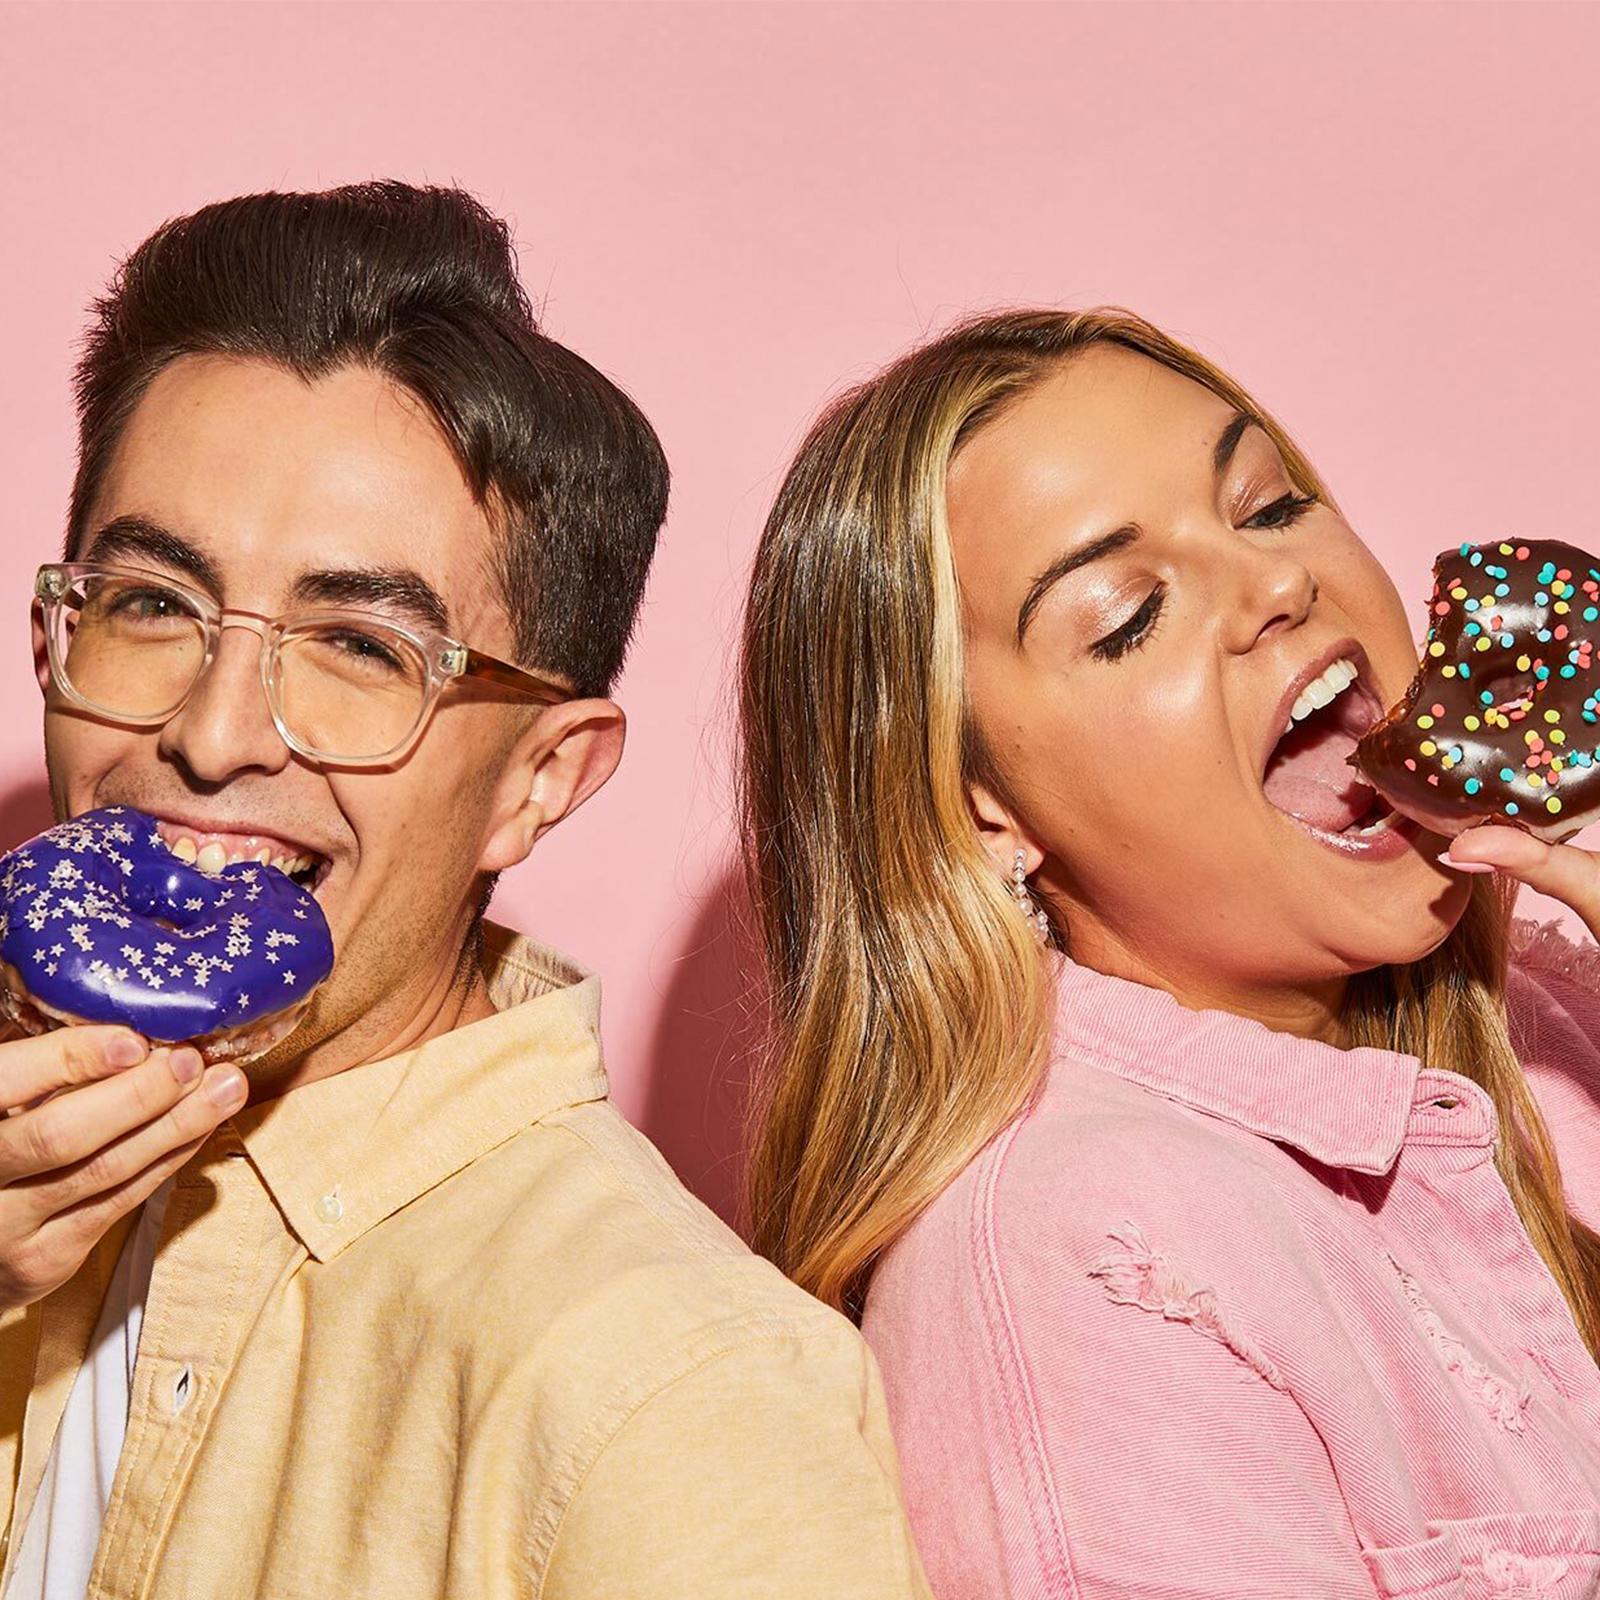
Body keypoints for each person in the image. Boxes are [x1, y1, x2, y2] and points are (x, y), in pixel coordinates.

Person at [0, 182, 930, 1599]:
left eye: (361, 647)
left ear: (540, 779)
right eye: (151, 605)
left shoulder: (672, 1397)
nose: (212, 732)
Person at [736, 306, 1600, 1597]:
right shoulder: (1084, 1273)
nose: (1280, 584)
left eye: (1268, 505)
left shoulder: (1552, 1010)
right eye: (1129, 612)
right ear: (984, 809)